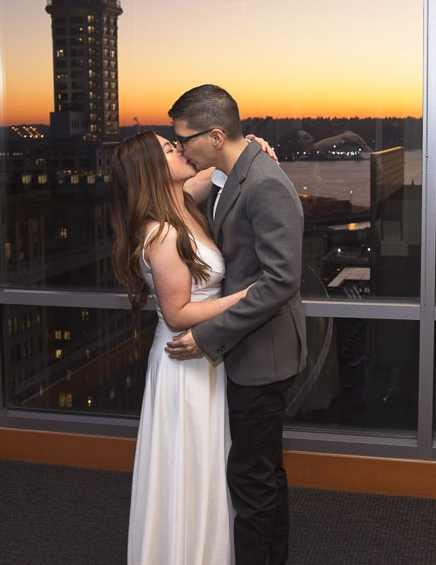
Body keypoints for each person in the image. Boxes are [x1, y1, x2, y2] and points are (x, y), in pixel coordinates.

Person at [165, 84, 306, 565]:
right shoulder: (232, 174)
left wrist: (207, 337)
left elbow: (280, 282)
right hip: (252, 352)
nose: (180, 147)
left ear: (216, 134)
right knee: (263, 474)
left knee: (251, 479)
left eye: (184, 139)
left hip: (263, 356)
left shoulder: (263, 182)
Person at [110, 131, 251, 565]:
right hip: (182, 361)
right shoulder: (162, 233)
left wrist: (251, 147)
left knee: (204, 466)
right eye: (170, 149)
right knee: (186, 469)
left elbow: (220, 165)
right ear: (153, 169)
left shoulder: (184, 198)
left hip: (205, 357)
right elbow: (177, 314)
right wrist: (249, 296)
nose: (180, 149)